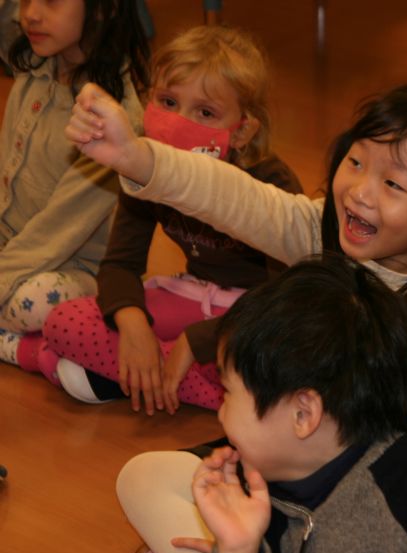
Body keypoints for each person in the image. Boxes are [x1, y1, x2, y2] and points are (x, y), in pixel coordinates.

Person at [65, 80, 407, 439]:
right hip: (288, 448)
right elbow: (232, 195)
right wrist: (135, 158)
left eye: (393, 184)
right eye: (356, 163)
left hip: (367, 490)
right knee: (144, 481)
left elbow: (389, 457)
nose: (360, 193)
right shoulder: (323, 234)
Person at [115, 256, 407, 553]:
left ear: (304, 414)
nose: (220, 413)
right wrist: (235, 551)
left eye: (228, 393)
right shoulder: (258, 498)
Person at [39, 25, 303, 416]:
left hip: (254, 317)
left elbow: (288, 300)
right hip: (190, 297)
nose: (179, 121)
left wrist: (195, 342)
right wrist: (134, 327)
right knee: (64, 323)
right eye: (168, 101)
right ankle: (182, 383)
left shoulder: (272, 183)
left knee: (284, 364)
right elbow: (120, 265)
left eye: (205, 112)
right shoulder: (144, 167)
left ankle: (144, 377)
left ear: (243, 130)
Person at [0, 0, 148, 371]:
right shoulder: (34, 61)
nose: (30, 14)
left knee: (33, 301)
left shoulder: (113, 120)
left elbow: (54, 235)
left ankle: (25, 350)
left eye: (51, 0)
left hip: (69, 264)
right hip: (12, 244)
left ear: (103, 8)